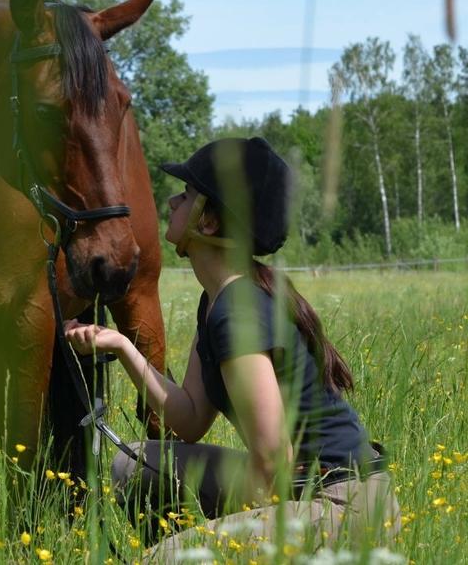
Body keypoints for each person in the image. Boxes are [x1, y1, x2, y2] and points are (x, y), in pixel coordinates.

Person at [64, 137, 400, 556]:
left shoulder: (237, 313)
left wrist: (228, 536)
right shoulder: (216, 302)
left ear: (208, 222)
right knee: (129, 465)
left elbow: (276, 455)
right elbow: (188, 421)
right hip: (299, 485)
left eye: (186, 195)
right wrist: (120, 347)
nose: (171, 202)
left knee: (169, 559)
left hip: (341, 504)